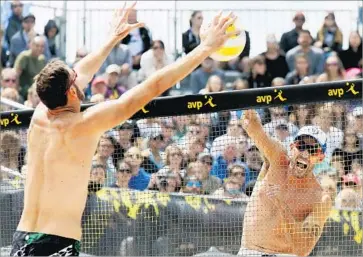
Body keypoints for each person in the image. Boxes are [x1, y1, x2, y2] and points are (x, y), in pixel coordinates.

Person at [10, 2, 239, 256]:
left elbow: (80, 71)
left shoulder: (41, 116)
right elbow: (153, 86)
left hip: (23, 239)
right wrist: (205, 48)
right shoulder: (83, 124)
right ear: (71, 92)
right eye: (74, 80)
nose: (79, 76)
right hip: (54, 244)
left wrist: (111, 39)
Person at [239, 109, 332, 257]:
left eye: (313, 150)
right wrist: (250, 113)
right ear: (292, 147)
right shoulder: (277, 157)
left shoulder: (320, 199)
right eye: (301, 146)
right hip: (250, 251)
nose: (305, 154)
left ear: (320, 158)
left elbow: (303, 249)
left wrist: (282, 204)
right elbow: (256, 130)